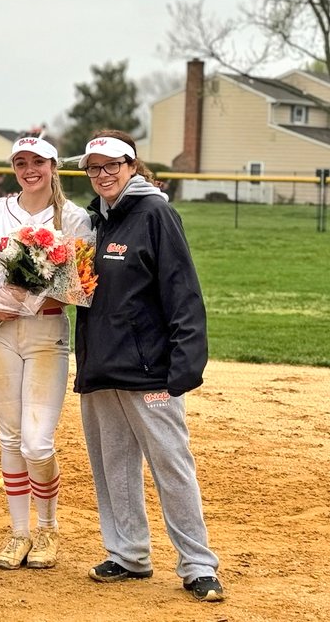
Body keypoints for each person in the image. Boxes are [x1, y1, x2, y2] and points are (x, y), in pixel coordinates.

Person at [75, 130, 225, 602]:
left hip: (149, 369)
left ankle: (198, 563)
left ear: (132, 166)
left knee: (170, 463)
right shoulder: (93, 221)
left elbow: (182, 290)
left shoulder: (155, 213)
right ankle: (129, 554)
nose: (102, 175)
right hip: (102, 364)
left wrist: (185, 361)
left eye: (111, 166)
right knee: (112, 464)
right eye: (94, 168)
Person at [0, 137, 91, 570]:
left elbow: (78, 288)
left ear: (53, 166)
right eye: (21, 162)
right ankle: (19, 532)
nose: (29, 169)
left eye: (37, 161)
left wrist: (37, 296)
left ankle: (48, 527)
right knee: (9, 438)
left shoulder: (74, 217)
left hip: (46, 334)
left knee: (37, 442)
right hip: (1, 332)